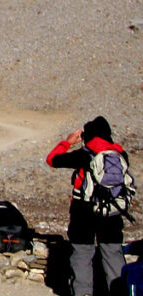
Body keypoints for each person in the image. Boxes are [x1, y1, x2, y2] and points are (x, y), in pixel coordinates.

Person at [46, 116, 129, 296]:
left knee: (82, 253)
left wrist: (67, 142)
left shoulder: (84, 154)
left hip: (83, 212)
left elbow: (52, 160)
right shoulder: (120, 154)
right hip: (112, 211)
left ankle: (83, 293)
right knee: (113, 252)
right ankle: (119, 291)